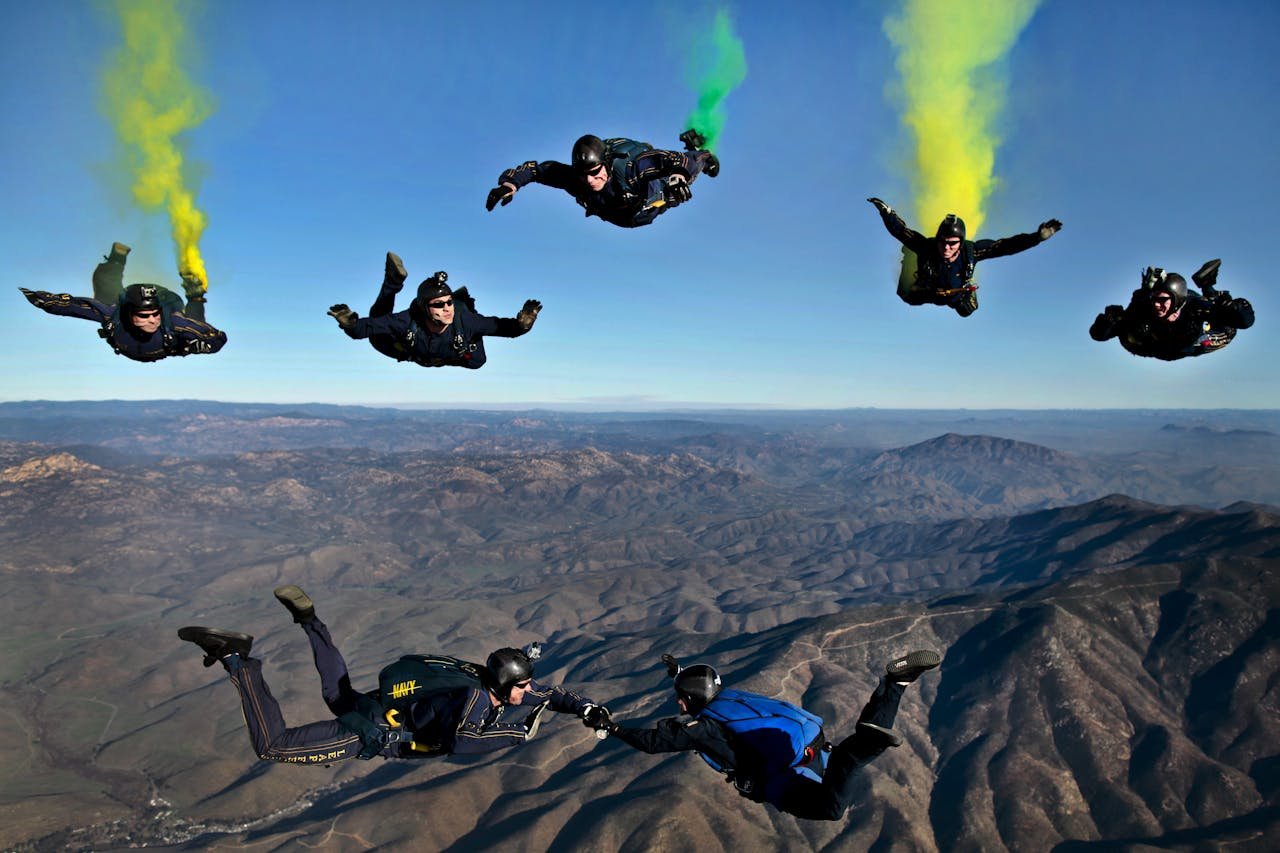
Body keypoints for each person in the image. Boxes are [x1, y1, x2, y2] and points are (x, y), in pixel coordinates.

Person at [177, 585, 607, 764]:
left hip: (378, 706)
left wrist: (585, 708)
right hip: (370, 731)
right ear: (504, 685)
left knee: (336, 689)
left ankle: (311, 622)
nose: (530, 691)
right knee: (272, 746)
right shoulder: (474, 701)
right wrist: (518, 735)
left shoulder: (489, 683)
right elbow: (463, 741)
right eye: (524, 686)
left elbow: (551, 696)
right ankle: (236, 659)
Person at [586, 650, 940, 821]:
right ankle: (895, 685)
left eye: (681, 699)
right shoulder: (730, 698)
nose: (678, 705)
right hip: (815, 747)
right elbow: (700, 686)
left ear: (691, 700)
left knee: (832, 808)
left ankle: (858, 751)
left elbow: (653, 743)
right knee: (848, 760)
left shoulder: (704, 727)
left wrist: (612, 727)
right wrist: (677, 672)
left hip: (783, 777)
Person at [327, 253, 540, 370]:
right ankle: (393, 282)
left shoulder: (466, 321)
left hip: (455, 352)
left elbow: (506, 328)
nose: (447, 308)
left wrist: (524, 324)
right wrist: (349, 324)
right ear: (424, 308)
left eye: (449, 302)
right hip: (412, 351)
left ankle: (471, 342)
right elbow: (364, 329)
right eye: (438, 305)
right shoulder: (407, 320)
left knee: (478, 362)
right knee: (377, 336)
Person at [19, 241, 226, 360]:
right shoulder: (112, 314)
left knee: (189, 325)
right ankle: (117, 257)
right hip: (128, 299)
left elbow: (216, 336)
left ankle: (195, 293)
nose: (153, 320)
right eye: (144, 316)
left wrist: (205, 347)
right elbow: (73, 306)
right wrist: (43, 300)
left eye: (154, 314)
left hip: (168, 301)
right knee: (104, 287)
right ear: (129, 314)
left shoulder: (172, 322)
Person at [866, 198, 1062, 317]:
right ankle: (909, 257)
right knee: (906, 297)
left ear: (961, 242)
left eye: (953, 243)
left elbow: (1005, 246)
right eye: (943, 241)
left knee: (967, 311)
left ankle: (966, 296)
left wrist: (1036, 238)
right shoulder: (927, 247)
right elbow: (901, 231)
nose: (946, 247)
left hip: (956, 295)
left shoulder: (972, 252)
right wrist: (887, 212)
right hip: (929, 291)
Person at [485, 130, 720, 228]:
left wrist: (680, 175)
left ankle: (704, 152)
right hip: (618, 215)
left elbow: (672, 160)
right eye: (583, 174)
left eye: (595, 172)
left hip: (648, 201)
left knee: (677, 187)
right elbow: (536, 170)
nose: (589, 180)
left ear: (606, 164)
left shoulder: (632, 168)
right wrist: (509, 184)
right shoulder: (574, 179)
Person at [1089, 260, 1254, 360]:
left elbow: (1246, 321)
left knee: (1226, 328)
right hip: (1161, 348)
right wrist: (1107, 321)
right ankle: (1211, 292)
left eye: (1162, 300)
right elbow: (1098, 335)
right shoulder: (1143, 307)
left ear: (1176, 300)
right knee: (1131, 333)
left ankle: (1208, 287)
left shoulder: (1195, 308)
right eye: (1154, 299)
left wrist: (1230, 307)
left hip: (1191, 338)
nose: (1156, 305)